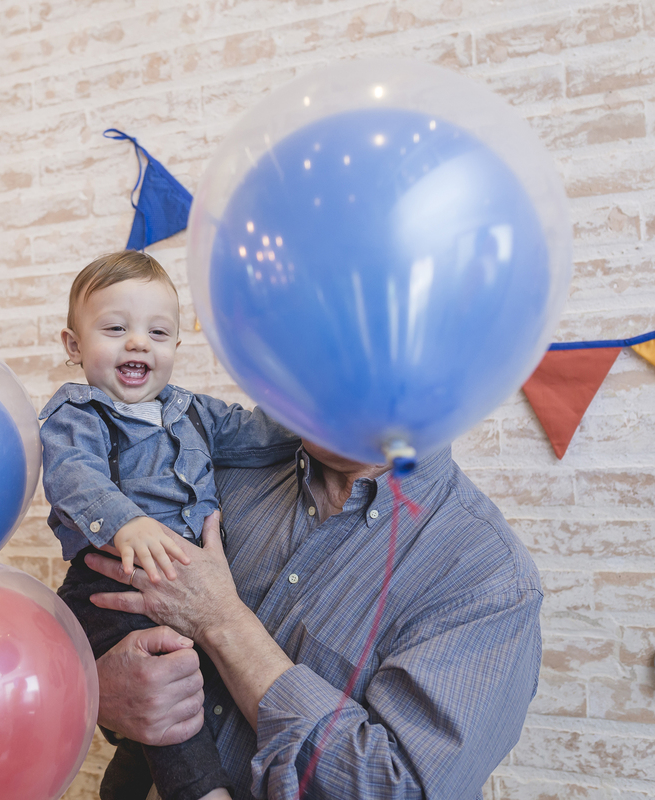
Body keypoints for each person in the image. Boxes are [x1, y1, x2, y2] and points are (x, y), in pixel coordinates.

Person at [87, 439, 544, 799]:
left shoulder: (491, 577)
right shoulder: (219, 477)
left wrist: (221, 620)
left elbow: (394, 787)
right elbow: (106, 616)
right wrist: (99, 693)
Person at [39, 251, 299, 800]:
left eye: (157, 332)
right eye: (115, 328)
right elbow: (73, 477)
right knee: (164, 681)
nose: (138, 343)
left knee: (180, 701)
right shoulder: (77, 414)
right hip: (111, 582)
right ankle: (204, 793)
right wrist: (125, 524)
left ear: (176, 348)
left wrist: (301, 403)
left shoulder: (191, 411)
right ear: (74, 345)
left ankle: (125, 788)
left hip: (182, 585)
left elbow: (260, 437)